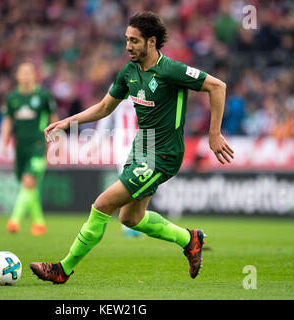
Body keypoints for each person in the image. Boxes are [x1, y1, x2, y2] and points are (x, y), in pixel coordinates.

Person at [30, 12, 234, 283]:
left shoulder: (171, 70)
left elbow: (217, 86)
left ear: (151, 42)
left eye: (134, 41)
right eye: (127, 39)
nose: (128, 46)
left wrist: (214, 133)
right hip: (141, 149)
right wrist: (68, 122)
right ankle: (190, 239)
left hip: (162, 154)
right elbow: (104, 107)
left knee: (102, 204)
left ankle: (62, 269)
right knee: (130, 217)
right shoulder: (129, 71)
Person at [1, 61, 58, 235]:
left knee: (28, 181)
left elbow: (54, 117)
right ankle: (39, 222)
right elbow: (8, 120)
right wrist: (4, 142)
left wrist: (58, 141)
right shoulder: (12, 98)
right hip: (20, 147)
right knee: (28, 186)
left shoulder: (43, 96)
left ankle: (14, 221)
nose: (26, 76)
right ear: (17, 76)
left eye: (29, 72)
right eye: (23, 72)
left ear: (34, 75)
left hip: (38, 145)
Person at [96, 95, 142, 238]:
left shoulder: (143, 83)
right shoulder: (119, 86)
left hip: (141, 141)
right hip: (122, 144)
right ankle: (127, 225)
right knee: (128, 182)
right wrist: (98, 138)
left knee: (139, 182)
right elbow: (106, 111)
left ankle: (134, 221)